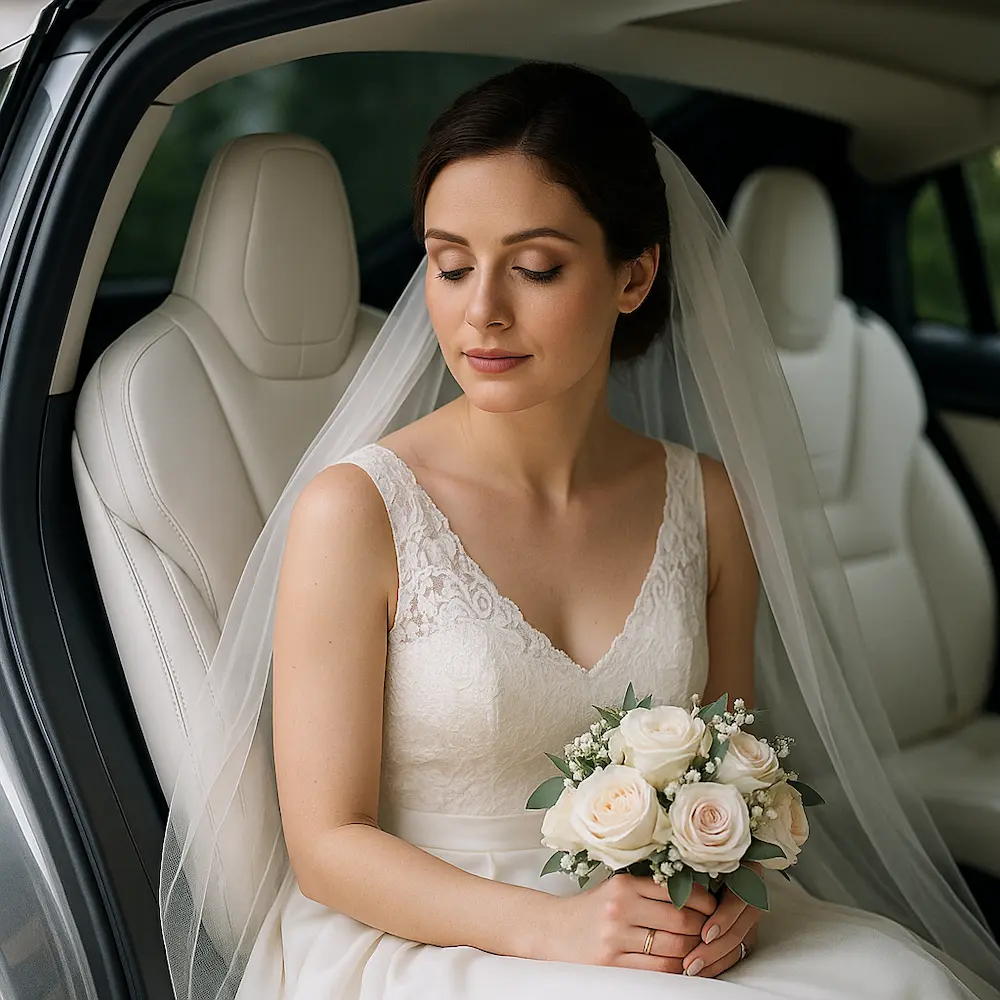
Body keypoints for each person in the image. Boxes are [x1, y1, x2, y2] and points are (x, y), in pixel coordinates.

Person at [158, 63, 1000, 1000]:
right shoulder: (357, 512)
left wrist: (731, 893)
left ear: (633, 275)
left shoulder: (709, 504)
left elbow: (733, 777)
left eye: (536, 267)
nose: (482, 312)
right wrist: (555, 928)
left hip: (648, 925)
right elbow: (327, 847)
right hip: (427, 937)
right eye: (450, 265)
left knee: (901, 982)